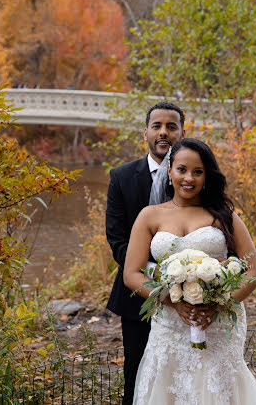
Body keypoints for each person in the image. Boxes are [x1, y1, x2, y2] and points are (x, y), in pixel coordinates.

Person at [123, 138, 256, 404]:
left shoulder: (224, 216)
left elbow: (254, 269)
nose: (189, 178)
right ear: (169, 170)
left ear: (207, 175)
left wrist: (220, 303)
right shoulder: (149, 216)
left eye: (198, 172)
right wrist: (170, 300)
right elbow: (132, 274)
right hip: (169, 322)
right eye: (182, 169)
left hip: (217, 321)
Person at [105, 101, 187, 404]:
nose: (163, 133)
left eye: (171, 126)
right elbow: (117, 242)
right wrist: (159, 277)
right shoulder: (122, 177)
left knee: (183, 372)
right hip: (135, 293)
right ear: (146, 133)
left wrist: (187, 278)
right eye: (157, 126)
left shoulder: (194, 178)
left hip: (191, 292)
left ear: (182, 132)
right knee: (138, 371)